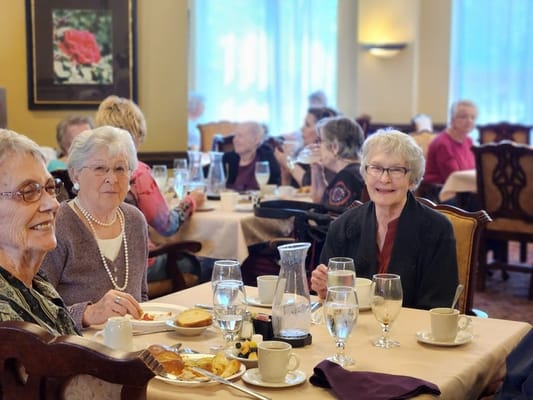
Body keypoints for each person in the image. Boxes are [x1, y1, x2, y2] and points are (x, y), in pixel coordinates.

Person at [310, 129, 459, 310]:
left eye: (396, 170)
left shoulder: (436, 229)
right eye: (376, 168)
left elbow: (437, 306)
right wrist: (326, 291)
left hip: (411, 333)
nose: (384, 178)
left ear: (412, 180)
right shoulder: (342, 226)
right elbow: (334, 296)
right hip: (354, 330)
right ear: (365, 174)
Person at [40, 126, 147, 330]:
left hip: (131, 344)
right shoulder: (57, 224)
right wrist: (88, 314)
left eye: (120, 169)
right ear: (75, 175)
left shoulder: (135, 221)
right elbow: (37, 310)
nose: (112, 179)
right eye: (100, 169)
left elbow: (141, 297)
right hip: (75, 348)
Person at [95, 95, 205, 284]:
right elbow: (167, 225)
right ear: (135, 134)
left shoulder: (91, 169)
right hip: (138, 266)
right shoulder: (136, 172)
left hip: (101, 266)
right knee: (203, 264)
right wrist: (192, 201)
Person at [0, 129, 78, 335]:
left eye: (50, 188)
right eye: (29, 192)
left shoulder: (35, 282)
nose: (52, 204)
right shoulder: (7, 322)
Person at [274, 107, 339, 187]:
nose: (301, 129)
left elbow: (311, 187)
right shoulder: (304, 155)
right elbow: (287, 191)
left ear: (321, 130)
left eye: (307, 125)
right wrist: (285, 170)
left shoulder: (331, 159)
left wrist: (289, 163)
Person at [310, 116, 365, 208]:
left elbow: (331, 218)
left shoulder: (346, 176)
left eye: (320, 141)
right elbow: (321, 203)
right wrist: (317, 172)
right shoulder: (357, 171)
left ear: (335, 147)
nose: (318, 146)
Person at [424, 100, 477, 185]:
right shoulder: (443, 143)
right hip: (441, 190)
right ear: (452, 119)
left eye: (473, 117)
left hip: (463, 187)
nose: (469, 121)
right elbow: (452, 176)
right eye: (463, 117)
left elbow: (474, 169)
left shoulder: (469, 141)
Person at [223, 121, 281, 192]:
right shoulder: (228, 159)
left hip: (259, 202)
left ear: (256, 140)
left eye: (240, 136)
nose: (235, 140)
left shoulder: (267, 158)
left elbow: (276, 187)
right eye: (235, 136)